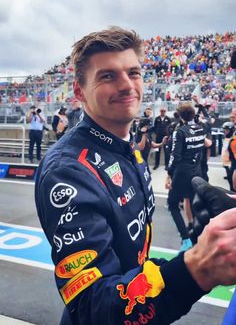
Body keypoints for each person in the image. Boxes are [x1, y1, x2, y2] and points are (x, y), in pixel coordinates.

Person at [35, 27, 236, 325]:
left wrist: (203, 235)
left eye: (133, 72)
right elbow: (94, 308)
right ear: (79, 91)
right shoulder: (68, 171)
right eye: (108, 76)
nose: (127, 85)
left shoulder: (127, 146)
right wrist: (197, 267)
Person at [165, 102, 212, 252]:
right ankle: (199, 238)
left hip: (181, 173)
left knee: (172, 205)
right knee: (193, 205)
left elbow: (175, 156)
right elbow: (203, 147)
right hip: (195, 172)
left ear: (180, 116)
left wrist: (169, 174)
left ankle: (186, 240)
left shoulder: (180, 132)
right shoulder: (201, 128)